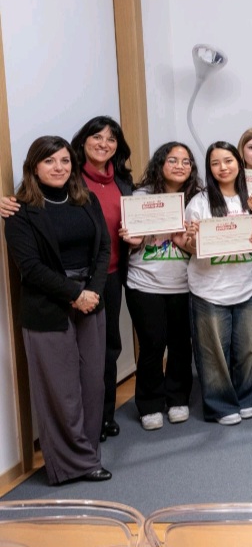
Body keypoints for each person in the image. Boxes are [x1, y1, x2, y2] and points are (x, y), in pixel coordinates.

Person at [4, 136, 112, 484]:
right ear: (34, 166)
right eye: (50, 161)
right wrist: (73, 295)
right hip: (48, 308)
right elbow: (31, 268)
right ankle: (71, 465)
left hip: (91, 302)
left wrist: (92, 290)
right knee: (60, 391)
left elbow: (102, 248)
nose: (59, 168)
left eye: (65, 161)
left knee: (92, 384)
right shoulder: (20, 211)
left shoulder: (86, 199)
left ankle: (88, 453)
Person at [183, 141, 252, 426]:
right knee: (213, 353)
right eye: (215, 163)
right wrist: (193, 241)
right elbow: (189, 246)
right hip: (209, 288)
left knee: (248, 350)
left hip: (245, 286)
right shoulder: (199, 202)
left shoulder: (250, 199)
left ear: (238, 163)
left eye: (228, 161)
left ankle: (247, 398)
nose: (223, 167)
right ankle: (220, 405)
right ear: (209, 168)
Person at [120, 142, 199, 431]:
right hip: (145, 283)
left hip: (183, 283)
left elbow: (201, 249)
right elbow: (133, 241)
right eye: (172, 160)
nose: (179, 165)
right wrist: (133, 239)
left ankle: (178, 398)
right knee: (152, 345)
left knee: (180, 344)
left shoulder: (198, 199)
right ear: (160, 163)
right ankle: (150, 403)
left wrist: (192, 239)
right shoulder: (140, 196)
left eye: (186, 161)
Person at [70, 116, 134, 442]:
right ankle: (83, 422)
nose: (103, 144)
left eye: (111, 139)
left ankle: (105, 416)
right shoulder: (70, 179)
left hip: (112, 275)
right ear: (83, 140)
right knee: (83, 352)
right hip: (80, 280)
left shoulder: (123, 181)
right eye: (97, 137)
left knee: (110, 348)